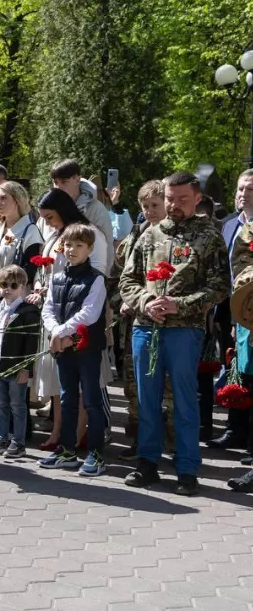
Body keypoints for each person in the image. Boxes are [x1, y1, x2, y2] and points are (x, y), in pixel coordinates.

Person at [120, 171, 230, 496]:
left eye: (182, 200)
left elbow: (220, 286)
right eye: (170, 198)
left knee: (184, 401)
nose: (174, 205)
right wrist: (147, 301)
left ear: (197, 199)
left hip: (184, 332)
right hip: (146, 328)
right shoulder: (149, 234)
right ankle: (148, 463)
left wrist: (178, 305)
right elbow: (128, 280)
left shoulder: (210, 237)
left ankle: (186, 469)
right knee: (147, 399)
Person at [31, 189, 111, 452]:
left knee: (89, 396)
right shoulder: (58, 250)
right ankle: (63, 443)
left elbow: (90, 306)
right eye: (68, 246)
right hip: (60, 330)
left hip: (83, 335)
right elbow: (50, 301)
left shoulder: (90, 240)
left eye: (51, 217)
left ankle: (89, 446)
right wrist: (55, 329)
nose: (49, 223)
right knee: (65, 394)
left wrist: (62, 330)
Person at [112, 180, 169, 459]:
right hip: (135, 320)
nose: (149, 211)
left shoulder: (174, 237)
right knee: (134, 384)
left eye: (155, 206)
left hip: (166, 322)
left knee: (166, 388)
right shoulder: (138, 233)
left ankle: (169, 441)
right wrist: (126, 301)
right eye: (145, 206)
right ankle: (139, 440)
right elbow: (123, 274)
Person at [209, 168, 253, 452]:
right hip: (228, 308)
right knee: (233, 367)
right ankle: (234, 430)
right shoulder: (228, 225)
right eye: (239, 189)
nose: (242, 194)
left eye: (249, 189)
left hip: (251, 309)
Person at [0, 265, 41, 459]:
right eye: (3, 284)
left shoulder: (28, 311)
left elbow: (30, 343)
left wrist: (26, 368)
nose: (7, 289)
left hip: (16, 367)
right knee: (0, 403)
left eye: (13, 285)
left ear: (23, 286)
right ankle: (0, 438)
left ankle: (18, 442)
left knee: (18, 405)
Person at [50, 159, 115, 269]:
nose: (58, 187)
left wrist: (102, 279)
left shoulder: (96, 209)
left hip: (88, 278)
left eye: (64, 182)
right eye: (56, 182)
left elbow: (107, 247)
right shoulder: (50, 209)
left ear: (77, 179)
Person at [0, 180, 43, 288]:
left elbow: (30, 271)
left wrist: (5, 278)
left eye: (3, 198)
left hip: (17, 294)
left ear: (17, 201)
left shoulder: (30, 231)